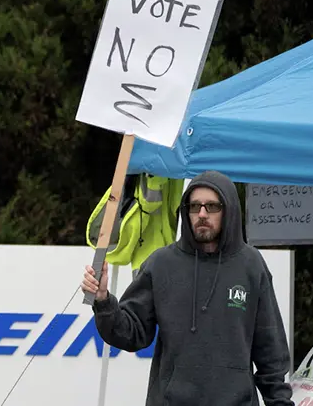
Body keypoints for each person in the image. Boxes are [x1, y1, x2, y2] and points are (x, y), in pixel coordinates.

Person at [81, 170, 294, 406]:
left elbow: (270, 352)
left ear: (229, 210)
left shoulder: (251, 265)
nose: (202, 214)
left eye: (212, 206)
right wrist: (102, 300)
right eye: (195, 206)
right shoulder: (161, 263)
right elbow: (131, 333)